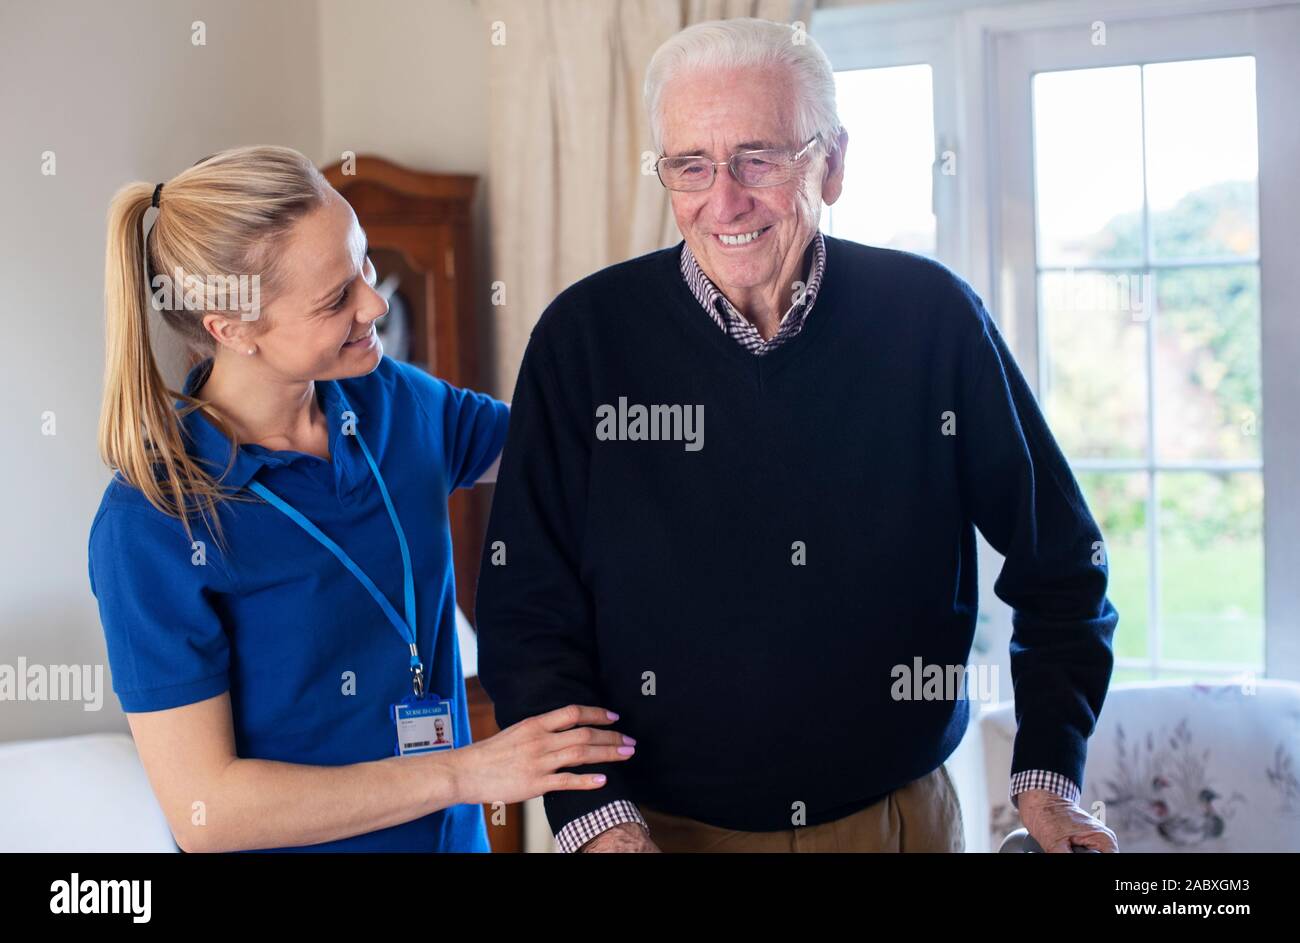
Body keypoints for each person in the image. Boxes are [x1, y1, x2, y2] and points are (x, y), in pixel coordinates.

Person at [476, 19, 1120, 853]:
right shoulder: (581, 338)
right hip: (653, 833)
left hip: (896, 823)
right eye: (691, 166)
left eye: (759, 159)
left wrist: (1046, 773)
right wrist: (596, 822)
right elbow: (527, 612)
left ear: (834, 163)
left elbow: (1063, 566)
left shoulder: (933, 320)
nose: (725, 199)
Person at [89, 146, 634, 852]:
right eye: (335, 298)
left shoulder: (393, 401)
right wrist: (462, 773)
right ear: (234, 329)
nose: (375, 303)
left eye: (365, 264)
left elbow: (567, 446)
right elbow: (209, 810)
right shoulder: (152, 523)